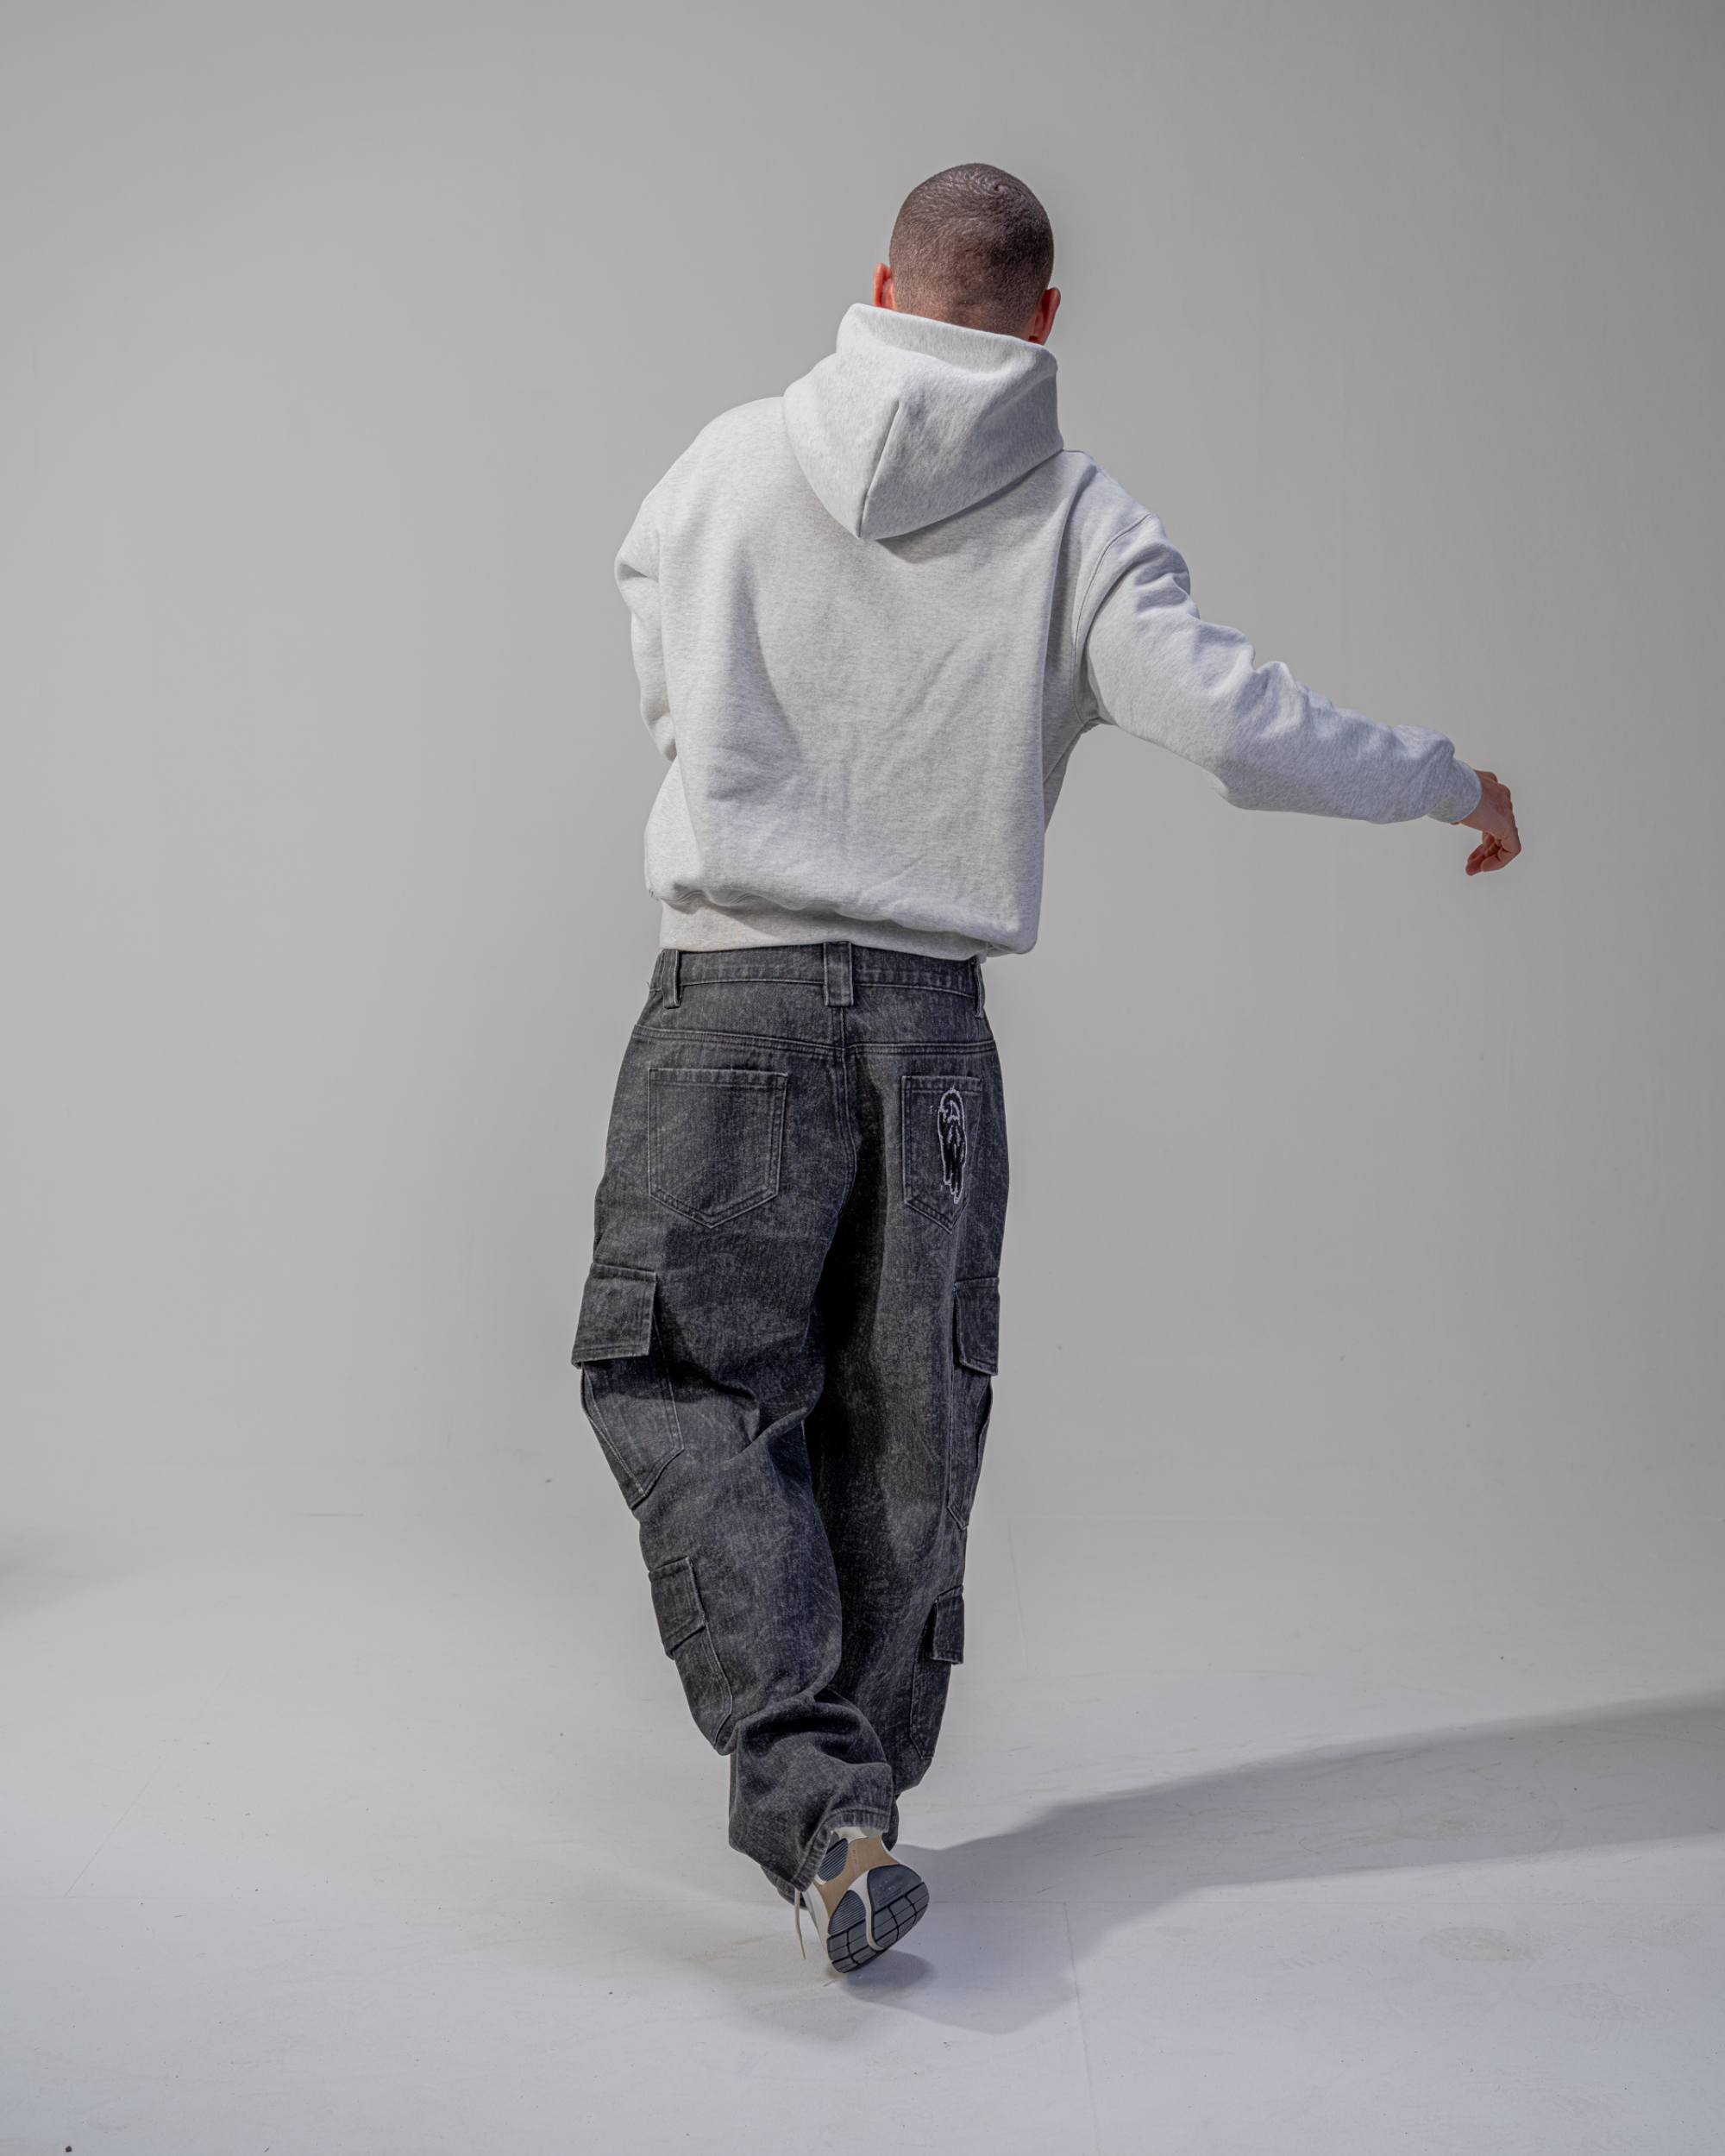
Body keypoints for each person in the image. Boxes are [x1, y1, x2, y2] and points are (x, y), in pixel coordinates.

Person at [572, 164, 1521, 1977]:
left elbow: (662, 656)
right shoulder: (1079, 516)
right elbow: (1233, 720)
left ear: (881, 284)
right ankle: (847, 1802)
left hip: (727, 998)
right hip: (926, 1028)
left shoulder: (728, 463)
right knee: (902, 1424)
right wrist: (1444, 779)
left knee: (689, 1379)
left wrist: (749, 788)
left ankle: (817, 1802)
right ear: (1045, 318)